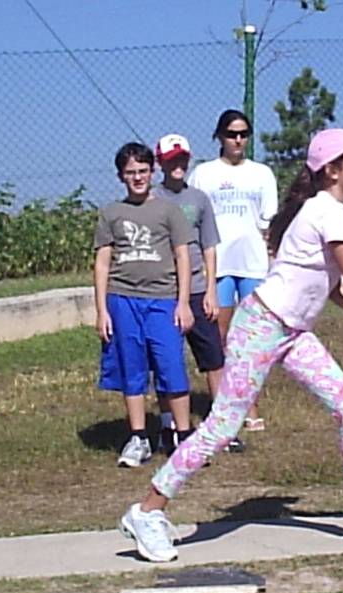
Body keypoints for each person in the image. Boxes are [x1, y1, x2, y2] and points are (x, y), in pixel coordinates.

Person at [118, 128, 343, 563]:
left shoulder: (327, 210)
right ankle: (147, 511)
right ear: (332, 170)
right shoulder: (328, 212)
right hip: (261, 327)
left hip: (294, 333)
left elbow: (337, 289)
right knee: (223, 427)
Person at [93, 142, 195, 468]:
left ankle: (183, 436)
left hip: (162, 300)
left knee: (170, 365)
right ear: (120, 176)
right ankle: (138, 438)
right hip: (123, 300)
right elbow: (103, 264)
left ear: (152, 172)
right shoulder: (111, 213)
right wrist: (102, 310)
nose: (137, 178)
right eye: (130, 172)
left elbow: (182, 257)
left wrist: (183, 303)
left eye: (142, 171)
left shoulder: (168, 211)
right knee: (132, 368)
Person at [153, 133, 245, 454]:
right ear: (160, 163)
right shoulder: (152, 199)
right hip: (163, 291)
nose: (177, 165)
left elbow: (209, 246)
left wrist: (210, 291)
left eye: (182, 158)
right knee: (166, 361)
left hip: (195, 289)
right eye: (171, 160)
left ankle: (222, 425)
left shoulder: (199, 199)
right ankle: (167, 425)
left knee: (214, 357)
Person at [189, 109, 278, 432]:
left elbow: (269, 220)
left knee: (251, 338)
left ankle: (251, 404)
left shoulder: (261, 174)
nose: (238, 140)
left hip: (252, 263)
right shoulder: (203, 174)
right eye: (231, 134)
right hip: (219, 266)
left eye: (243, 134)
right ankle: (224, 406)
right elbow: (193, 218)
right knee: (219, 337)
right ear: (220, 137)